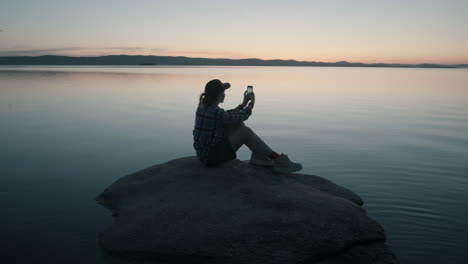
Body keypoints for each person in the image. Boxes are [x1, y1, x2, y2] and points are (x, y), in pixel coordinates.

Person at [192, 79, 302, 173]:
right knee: (245, 132)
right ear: (218, 95)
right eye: (223, 92)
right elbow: (241, 116)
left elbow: (227, 116)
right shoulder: (215, 112)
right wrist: (251, 103)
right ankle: (278, 160)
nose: (224, 94)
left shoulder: (203, 106)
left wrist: (243, 104)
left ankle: (258, 156)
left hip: (205, 153)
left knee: (238, 124)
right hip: (210, 157)